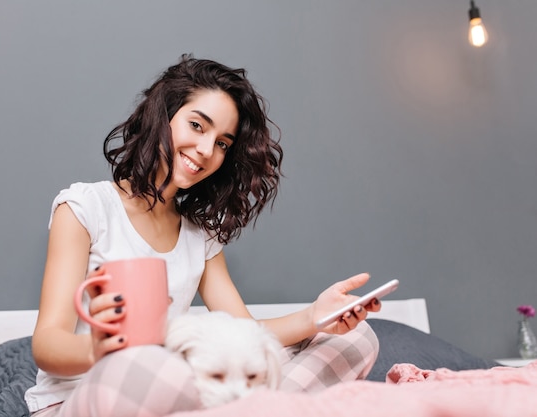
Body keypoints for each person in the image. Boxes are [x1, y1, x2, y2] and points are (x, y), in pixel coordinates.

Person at [24, 54, 381, 417]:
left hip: (175, 399)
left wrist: (316, 316)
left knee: (356, 340)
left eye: (223, 143)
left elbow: (246, 335)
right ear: (162, 116)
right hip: (83, 397)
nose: (207, 151)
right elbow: (47, 344)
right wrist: (98, 351)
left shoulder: (200, 237)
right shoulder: (85, 207)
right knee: (155, 368)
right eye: (197, 125)